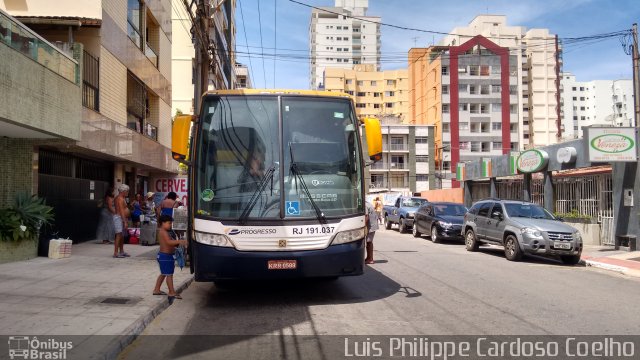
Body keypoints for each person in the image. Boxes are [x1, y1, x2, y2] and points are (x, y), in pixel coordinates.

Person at [153, 215, 188, 304]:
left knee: (164, 273)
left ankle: (157, 289)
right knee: (169, 274)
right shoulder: (163, 232)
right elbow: (169, 242)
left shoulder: (165, 231)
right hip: (165, 256)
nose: (170, 225)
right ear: (162, 223)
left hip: (165, 256)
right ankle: (171, 292)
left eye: (171, 223)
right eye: (169, 223)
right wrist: (180, 241)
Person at [113, 184, 131, 258]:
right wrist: (125, 221)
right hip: (119, 218)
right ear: (123, 191)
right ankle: (116, 253)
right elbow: (121, 210)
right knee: (119, 235)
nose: (128, 192)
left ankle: (121, 251)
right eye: (127, 191)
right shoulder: (119, 198)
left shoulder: (122, 198)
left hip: (121, 218)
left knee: (122, 235)